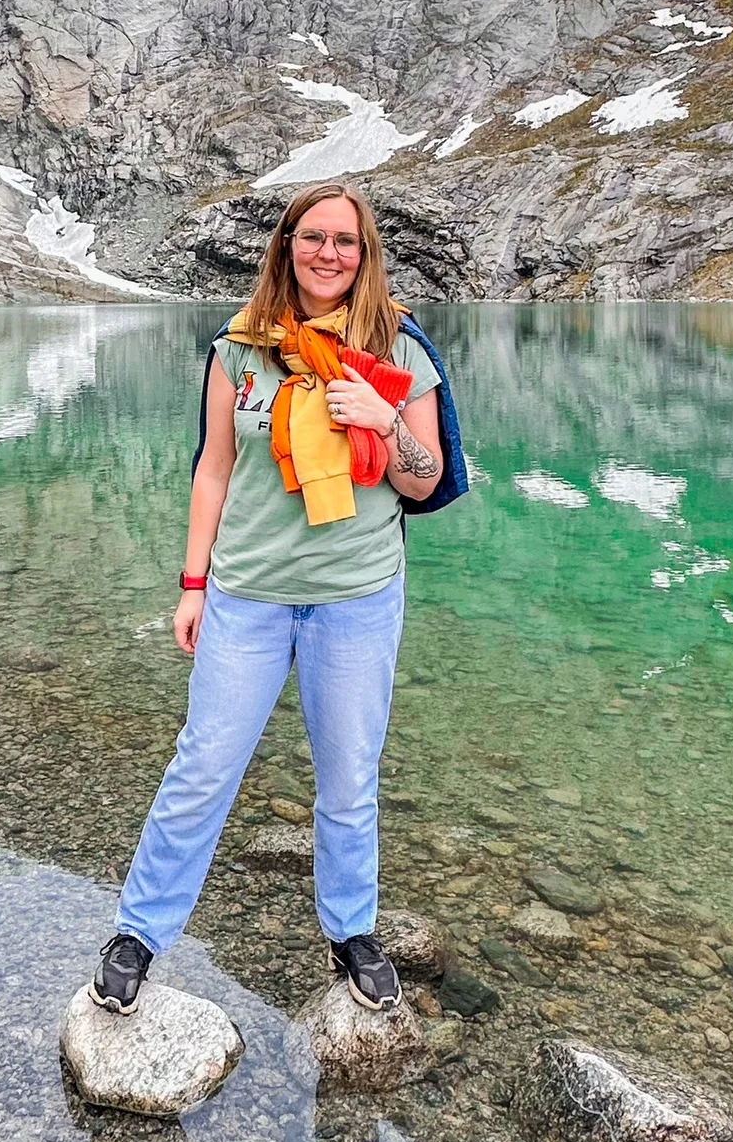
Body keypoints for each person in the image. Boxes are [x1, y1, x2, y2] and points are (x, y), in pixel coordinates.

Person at [93, 181, 466, 1020]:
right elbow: (213, 470)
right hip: (247, 597)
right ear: (286, 245)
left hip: (355, 599)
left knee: (347, 777)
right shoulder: (240, 348)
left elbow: (425, 477)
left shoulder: (401, 351)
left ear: (364, 254)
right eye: (313, 237)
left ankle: (352, 931)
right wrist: (193, 586)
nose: (328, 254)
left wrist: (382, 414)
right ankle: (139, 934)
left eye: (346, 241)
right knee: (204, 766)